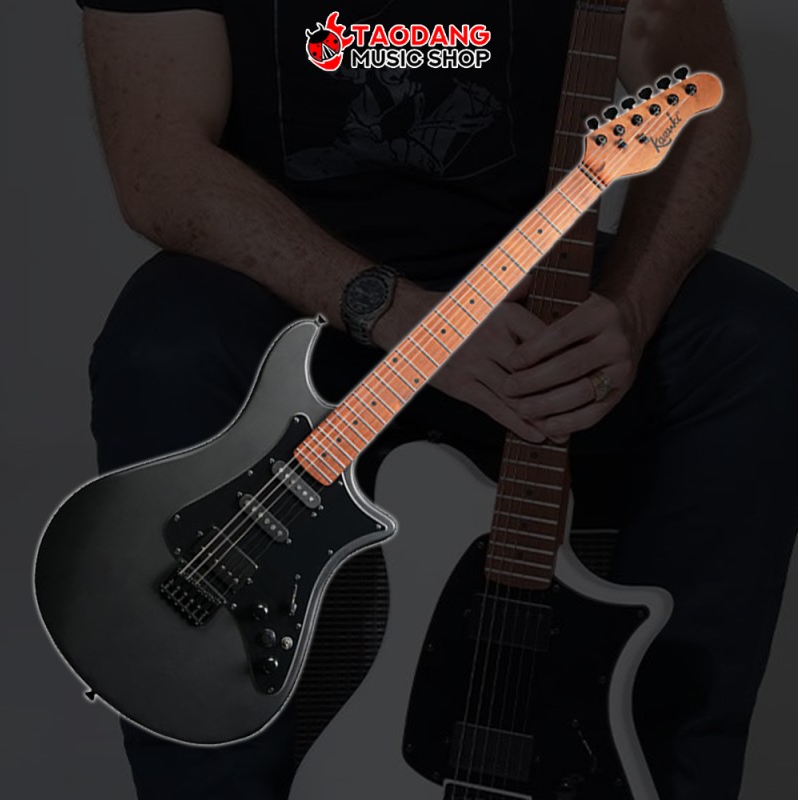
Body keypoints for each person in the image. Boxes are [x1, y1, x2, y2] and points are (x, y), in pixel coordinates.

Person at [73, 1, 798, 798]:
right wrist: (392, 310)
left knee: (758, 345)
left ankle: (654, 775)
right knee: (163, 354)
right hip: (287, 290)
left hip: (523, 290)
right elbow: (159, 161)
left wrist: (629, 309)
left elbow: (702, 102)